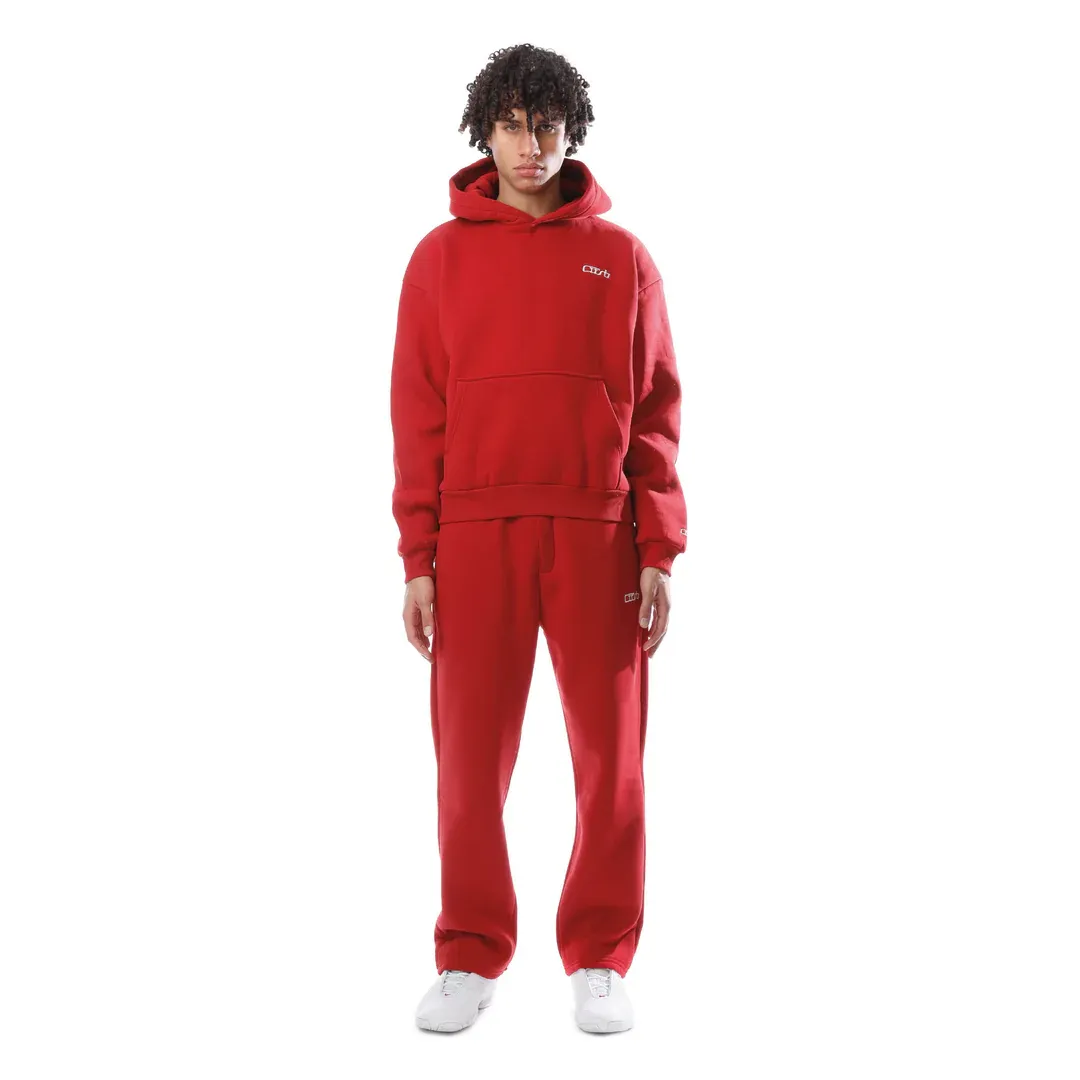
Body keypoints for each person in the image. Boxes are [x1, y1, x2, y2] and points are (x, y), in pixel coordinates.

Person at [390, 43, 688, 1034]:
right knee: (469, 764)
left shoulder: (624, 257)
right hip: (475, 534)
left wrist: (658, 546)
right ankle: (469, 953)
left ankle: (600, 955)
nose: (532, 145)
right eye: (514, 125)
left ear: (572, 130)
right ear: (487, 132)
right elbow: (417, 416)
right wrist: (418, 560)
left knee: (613, 761)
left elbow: (656, 413)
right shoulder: (438, 259)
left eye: (548, 125)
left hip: (599, 534)